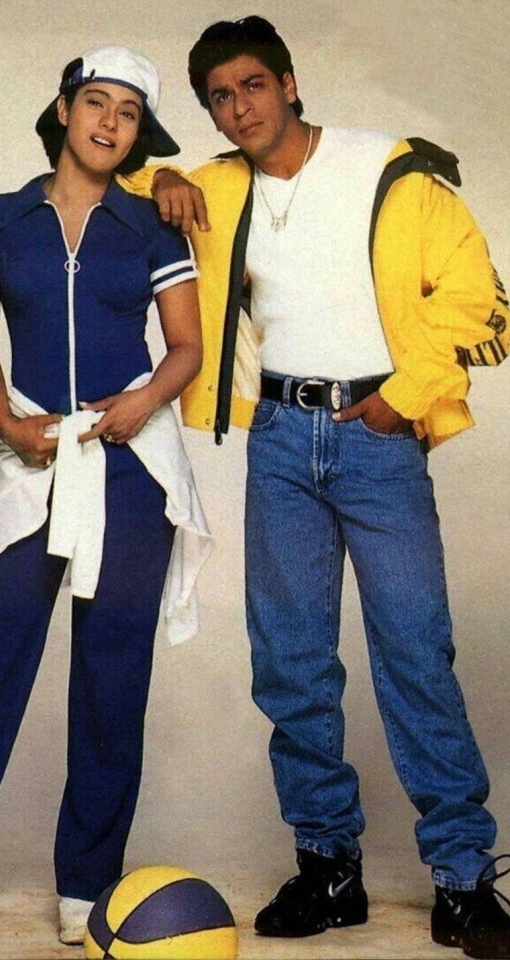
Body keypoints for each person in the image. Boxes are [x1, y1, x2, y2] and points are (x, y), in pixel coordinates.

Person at [123, 15, 510, 959]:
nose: (238, 108)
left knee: (415, 653)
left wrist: (402, 400)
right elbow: (112, 169)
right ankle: (328, 867)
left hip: (378, 435)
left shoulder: (391, 172)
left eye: (252, 85)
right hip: (281, 442)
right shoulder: (216, 186)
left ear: (289, 84)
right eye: (220, 97)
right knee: (291, 661)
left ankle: (463, 880)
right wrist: (163, 175)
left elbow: (479, 297)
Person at [0, 44, 212, 945]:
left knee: (113, 673)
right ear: (63, 108)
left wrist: (140, 405)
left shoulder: (152, 225)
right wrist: (9, 422)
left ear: (138, 132)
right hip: (37, 453)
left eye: (128, 112)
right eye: (96, 102)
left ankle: (88, 883)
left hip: (131, 465)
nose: (109, 122)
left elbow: (187, 348)